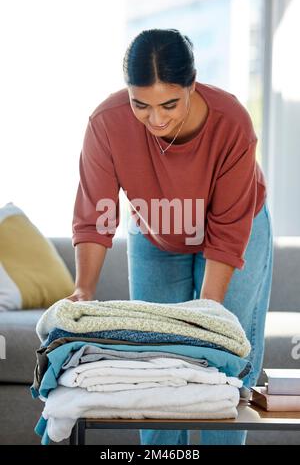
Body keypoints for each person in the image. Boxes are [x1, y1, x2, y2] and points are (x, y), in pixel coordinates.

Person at [68, 28, 274, 445]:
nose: (156, 119)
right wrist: (82, 292)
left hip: (235, 229)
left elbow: (227, 233)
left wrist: (207, 319)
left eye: (169, 104)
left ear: (192, 86)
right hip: (156, 231)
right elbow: (95, 216)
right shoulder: (106, 123)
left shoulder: (231, 121)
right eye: (140, 104)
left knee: (222, 363)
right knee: (155, 361)